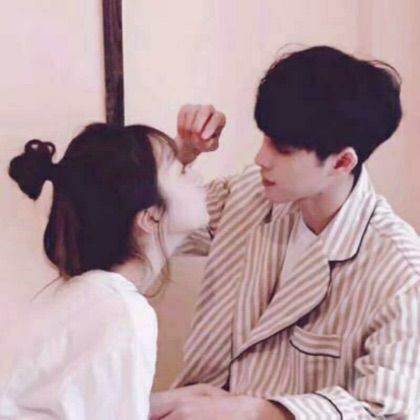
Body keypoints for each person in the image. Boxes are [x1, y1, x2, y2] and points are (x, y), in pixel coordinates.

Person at [151, 46, 420, 419]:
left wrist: (257, 411)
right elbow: (149, 225)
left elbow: (386, 412)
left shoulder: (401, 271)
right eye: (265, 138)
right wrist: (181, 155)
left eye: (283, 148)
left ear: (342, 162)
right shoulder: (247, 195)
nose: (261, 158)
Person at [1, 123, 208, 419]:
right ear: (150, 216)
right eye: (181, 171)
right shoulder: (123, 313)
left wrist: (161, 402)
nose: (199, 178)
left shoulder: (82, 296)